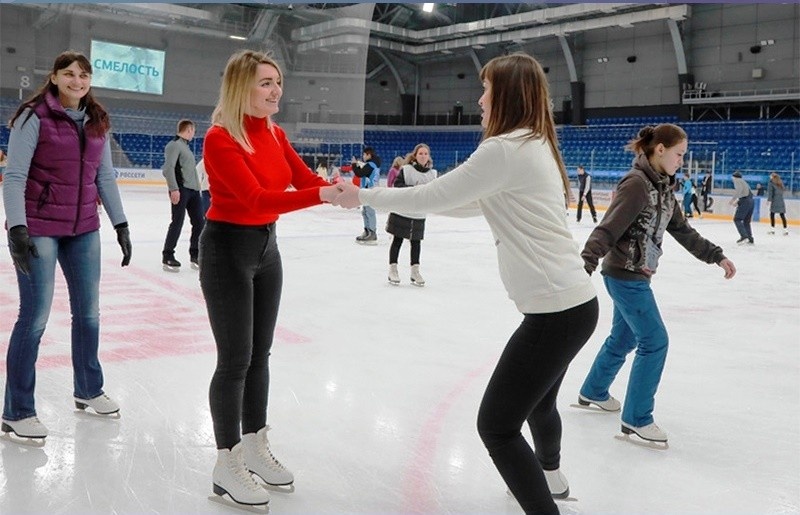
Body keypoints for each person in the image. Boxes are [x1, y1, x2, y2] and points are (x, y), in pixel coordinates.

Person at [333, 53, 599, 515]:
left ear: (507, 95)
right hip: (571, 306)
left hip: (557, 313)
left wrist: (364, 195)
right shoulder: (532, 145)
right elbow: (464, 203)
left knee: (496, 426)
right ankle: (551, 479)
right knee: (536, 406)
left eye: (487, 89)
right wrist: (407, 203)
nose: (479, 99)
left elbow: (433, 194)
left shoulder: (505, 149)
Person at [200, 49, 341, 508]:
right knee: (234, 359)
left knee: (260, 354)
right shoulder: (220, 139)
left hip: (267, 250)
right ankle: (226, 461)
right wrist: (322, 195)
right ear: (242, 87)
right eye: (265, 82)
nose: (275, 89)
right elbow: (259, 199)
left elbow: (300, 180)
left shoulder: (276, 133)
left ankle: (255, 443)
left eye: (277, 81)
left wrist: (338, 189)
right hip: (227, 250)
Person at [1, 50, 132, 440]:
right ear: (54, 77)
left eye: (84, 75)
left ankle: (88, 389)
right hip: (39, 227)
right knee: (35, 316)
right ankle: (17, 410)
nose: (78, 81)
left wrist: (120, 223)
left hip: (84, 229)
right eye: (70, 74)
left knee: (88, 314)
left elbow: (105, 177)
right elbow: (14, 176)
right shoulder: (34, 116)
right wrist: (18, 229)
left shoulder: (96, 121)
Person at [578, 124, 736, 444]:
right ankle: (637, 417)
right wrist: (585, 264)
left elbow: (683, 230)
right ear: (659, 149)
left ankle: (594, 390)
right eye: (679, 154)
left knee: (623, 339)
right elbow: (608, 229)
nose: (682, 161)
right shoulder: (636, 185)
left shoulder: (662, 187)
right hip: (626, 275)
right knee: (655, 341)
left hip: (634, 273)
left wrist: (716, 256)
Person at [385, 144, 437, 286]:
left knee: (416, 242)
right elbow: (397, 185)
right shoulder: (406, 170)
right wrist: (414, 190)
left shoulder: (433, 174)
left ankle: (415, 271)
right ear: (415, 155)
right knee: (397, 240)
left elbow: (435, 193)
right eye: (420, 153)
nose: (423, 156)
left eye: (426, 153)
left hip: (419, 213)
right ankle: (393, 269)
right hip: (402, 210)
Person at [161, 119, 205, 272]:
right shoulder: (174, 145)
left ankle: (196, 254)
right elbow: (168, 168)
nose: (194, 134)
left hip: (193, 191)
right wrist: (174, 189)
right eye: (193, 131)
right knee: (177, 222)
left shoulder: (185, 147)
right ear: (189, 130)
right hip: (181, 189)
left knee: (199, 222)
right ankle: (168, 255)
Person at [350, 147, 381, 244]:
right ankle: (367, 230)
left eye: (364, 154)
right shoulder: (372, 164)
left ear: (369, 155)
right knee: (365, 211)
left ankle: (372, 232)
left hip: (370, 191)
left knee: (369, 211)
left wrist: (354, 165)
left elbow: (359, 173)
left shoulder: (371, 165)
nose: (363, 156)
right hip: (368, 190)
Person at [730, 170, 754, 245]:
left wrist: (733, 199)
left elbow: (739, 191)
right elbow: (746, 193)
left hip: (745, 201)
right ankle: (750, 238)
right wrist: (738, 201)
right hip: (751, 201)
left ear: (734, 177)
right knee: (746, 221)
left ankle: (744, 236)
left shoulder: (737, 181)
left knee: (737, 219)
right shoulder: (744, 182)